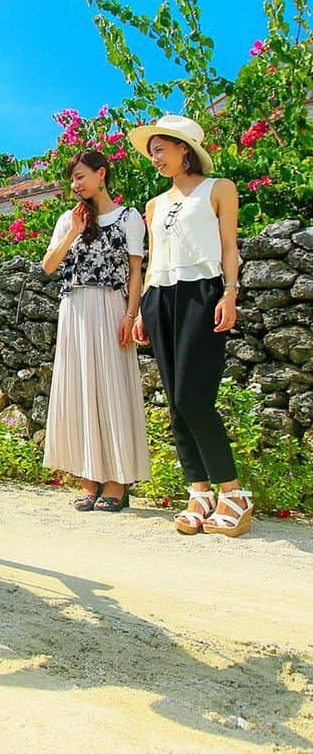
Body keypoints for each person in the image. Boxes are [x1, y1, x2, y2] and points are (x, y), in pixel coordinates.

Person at [128, 114, 251, 537]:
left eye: (161, 148)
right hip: (160, 295)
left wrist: (230, 292)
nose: (154, 157)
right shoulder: (154, 205)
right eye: (152, 151)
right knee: (175, 402)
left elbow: (229, 245)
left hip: (204, 291)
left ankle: (233, 493)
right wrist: (143, 307)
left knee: (193, 397)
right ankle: (199, 492)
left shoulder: (220, 189)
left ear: (186, 150)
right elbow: (153, 258)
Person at [41, 149, 150, 511]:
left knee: (113, 389)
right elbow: (48, 265)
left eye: (81, 176)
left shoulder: (129, 217)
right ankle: (89, 480)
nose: (76, 184)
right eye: (72, 179)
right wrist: (72, 231)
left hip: (111, 306)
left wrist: (131, 315)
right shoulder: (68, 220)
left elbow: (136, 271)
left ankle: (118, 483)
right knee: (82, 391)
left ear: (101, 174)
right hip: (74, 307)